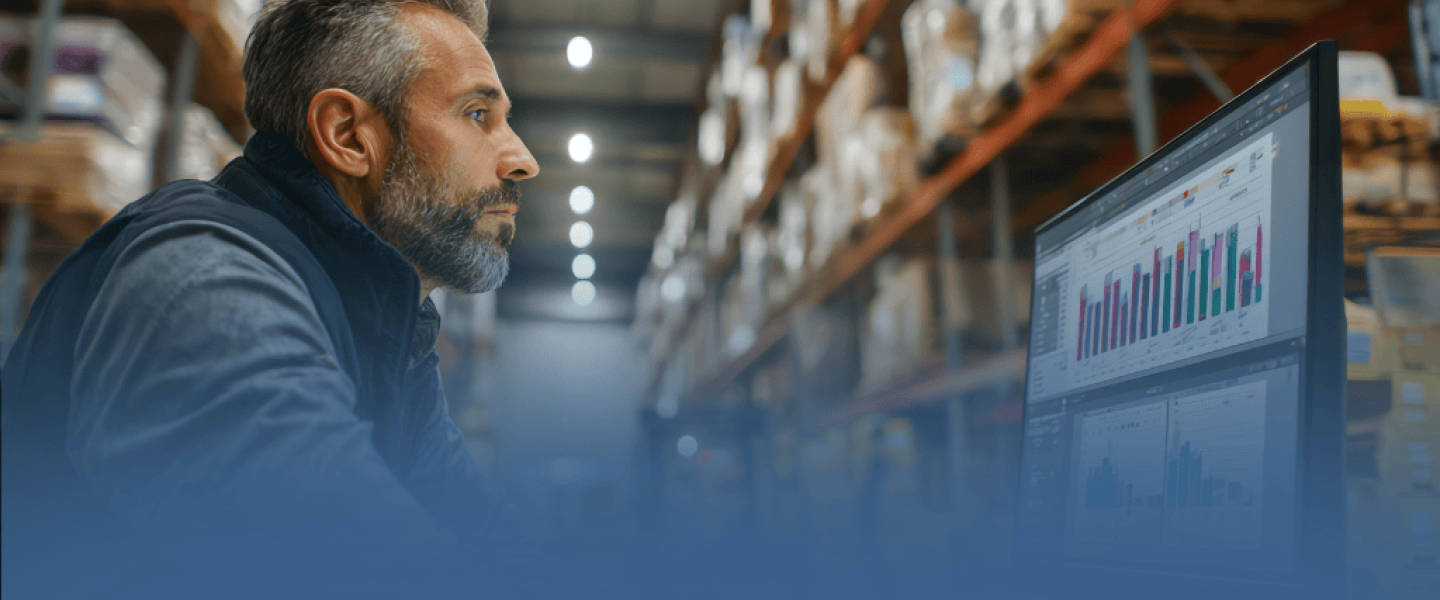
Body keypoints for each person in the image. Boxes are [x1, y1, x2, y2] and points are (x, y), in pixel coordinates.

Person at [0, 1, 554, 597]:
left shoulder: (384, 325)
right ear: (347, 136)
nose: (523, 160)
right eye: (477, 115)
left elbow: (489, 540)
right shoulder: (204, 278)